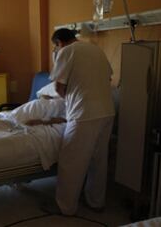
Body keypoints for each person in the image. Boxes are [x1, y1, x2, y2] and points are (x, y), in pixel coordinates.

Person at [46, 28, 115, 215]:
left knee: (71, 161)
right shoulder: (96, 49)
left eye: (56, 46)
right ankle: (96, 202)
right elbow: (108, 78)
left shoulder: (66, 51)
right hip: (107, 111)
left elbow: (59, 87)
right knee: (99, 160)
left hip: (84, 114)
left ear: (60, 42)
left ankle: (65, 207)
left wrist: (69, 98)